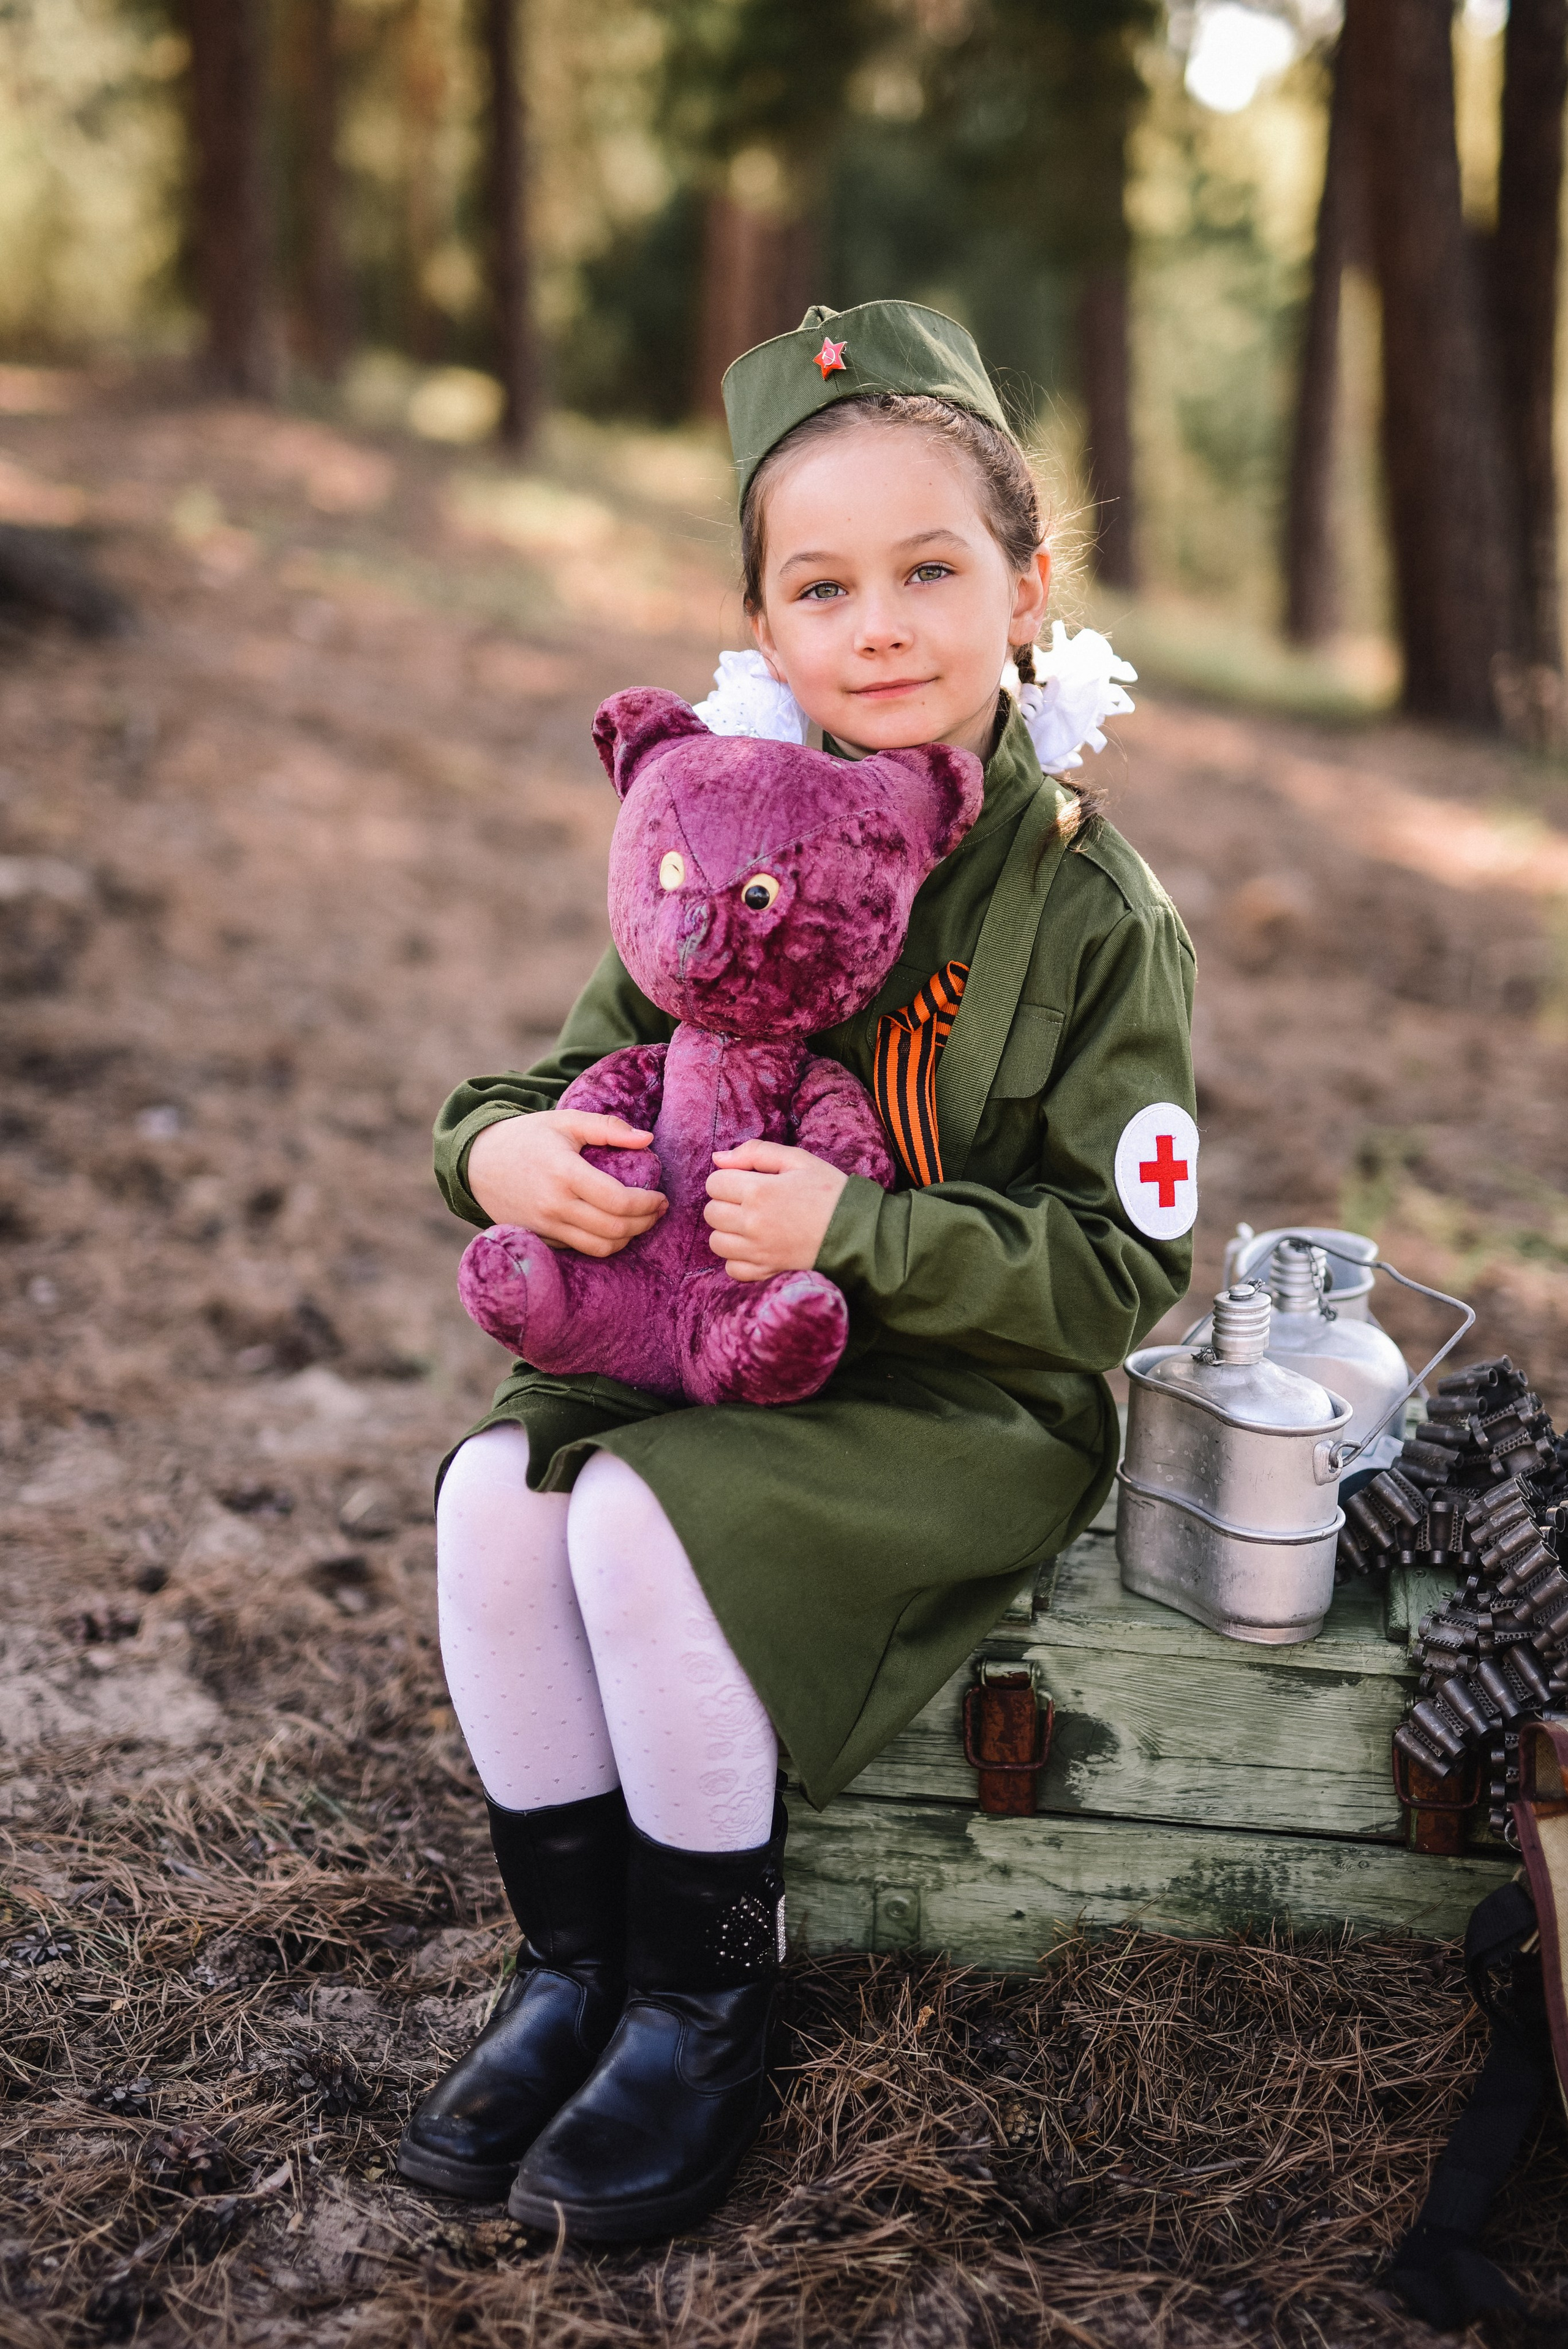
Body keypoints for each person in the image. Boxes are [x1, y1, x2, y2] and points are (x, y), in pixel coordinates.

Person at [398, 300, 1197, 2241]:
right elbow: (538, 1070)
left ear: (1028, 582)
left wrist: (865, 1235)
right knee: (500, 1498)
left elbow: (1121, 1271)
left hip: (956, 1392)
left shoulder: (1094, 905)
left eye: (933, 568)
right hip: (701, 1344)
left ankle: (705, 1997)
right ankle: (574, 1965)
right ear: (762, 628)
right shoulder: (723, 814)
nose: (882, 626)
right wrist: (500, 1152)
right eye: (821, 585)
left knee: (639, 1525)